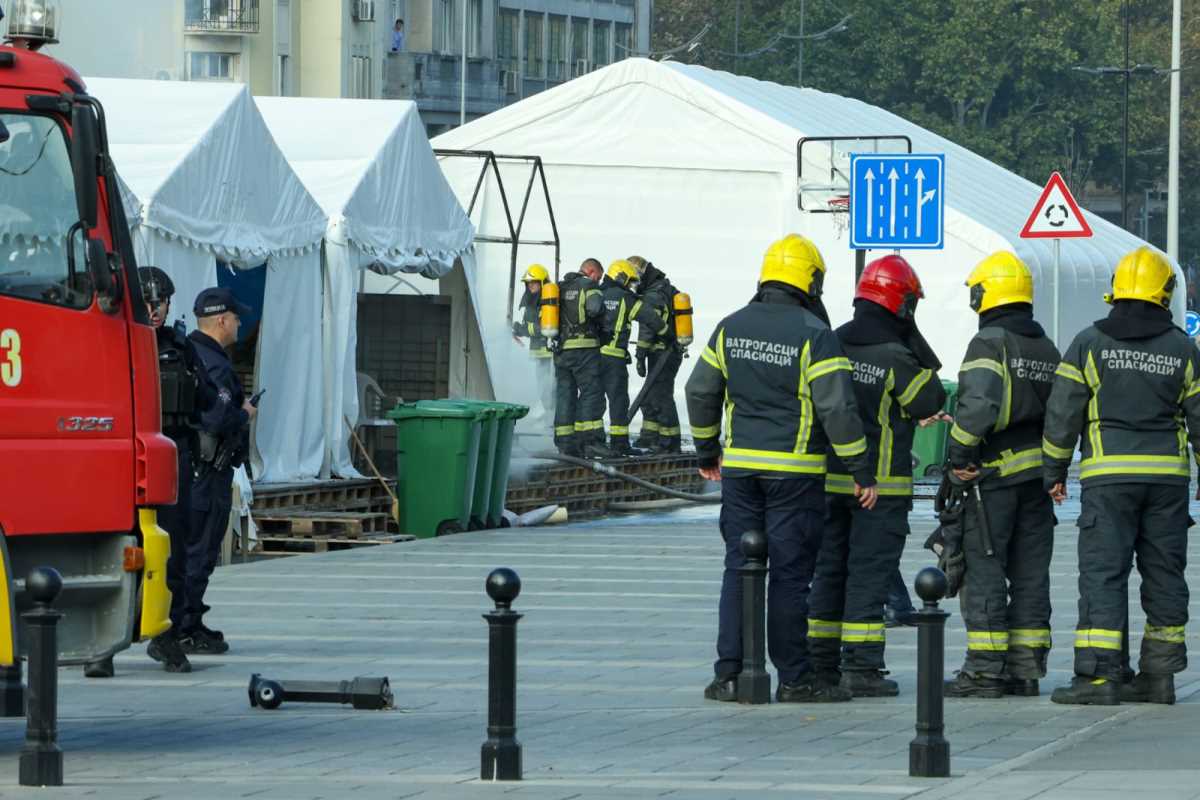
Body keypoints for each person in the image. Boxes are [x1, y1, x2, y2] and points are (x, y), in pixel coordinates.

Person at [686, 233, 877, 704]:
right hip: (795, 473)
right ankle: (795, 678)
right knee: (790, 577)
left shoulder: (730, 327)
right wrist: (860, 470)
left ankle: (729, 676)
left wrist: (707, 452)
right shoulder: (815, 334)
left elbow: (700, 390)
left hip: (741, 472)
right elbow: (837, 408)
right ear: (810, 282)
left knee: (739, 569)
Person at [1044, 246, 1200, 706]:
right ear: (1164, 294)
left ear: (1116, 291)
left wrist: (1054, 470)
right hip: (1168, 482)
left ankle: (1101, 677)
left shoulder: (1089, 342)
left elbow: (1063, 411)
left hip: (1108, 479)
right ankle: (1159, 677)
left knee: (1103, 574)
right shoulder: (1183, 349)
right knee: (1164, 575)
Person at [807, 255, 947, 697]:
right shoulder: (895, 356)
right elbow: (930, 399)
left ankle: (821, 664)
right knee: (868, 576)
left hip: (828, 481)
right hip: (880, 488)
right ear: (901, 305)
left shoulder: (832, 342)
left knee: (828, 573)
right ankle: (862, 667)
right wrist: (913, 339)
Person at [943, 251, 1060, 699]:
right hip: (1037, 476)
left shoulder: (990, 342)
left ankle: (984, 671)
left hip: (991, 476)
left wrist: (958, 456)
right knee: (1030, 573)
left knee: (984, 570)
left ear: (986, 294)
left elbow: (977, 406)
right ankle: (1025, 670)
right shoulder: (1046, 346)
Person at [85, 267, 211, 677]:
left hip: (170, 457)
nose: (154, 310)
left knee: (173, 552)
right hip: (121, 459)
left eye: (161, 302)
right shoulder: (110, 343)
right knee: (115, 551)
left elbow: (207, 401)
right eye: (148, 302)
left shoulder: (181, 347)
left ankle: (165, 634)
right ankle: (103, 644)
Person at [184, 287, 257, 655]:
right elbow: (217, 418)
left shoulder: (195, 352)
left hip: (202, 470)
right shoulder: (212, 361)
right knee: (199, 549)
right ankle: (185, 626)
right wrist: (244, 414)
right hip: (207, 471)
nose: (240, 324)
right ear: (222, 320)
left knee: (198, 548)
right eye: (237, 318)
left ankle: (190, 620)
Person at [598, 259, 661, 456]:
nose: (632, 285)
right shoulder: (625, 298)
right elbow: (648, 316)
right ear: (621, 277)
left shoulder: (596, 292)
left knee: (593, 400)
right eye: (630, 281)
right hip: (614, 359)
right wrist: (666, 332)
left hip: (592, 357)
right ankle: (619, 443)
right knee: (618, 401)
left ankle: (591, 441)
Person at [553, 259, 608, 458]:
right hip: (585, 349)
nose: (598, 281)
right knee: (592, 394)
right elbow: (595, 309)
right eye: (598, 277)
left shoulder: (559, 287)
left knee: (565, 395)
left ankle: (565, 443)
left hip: (562, 351)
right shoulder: (589, 286)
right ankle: (591, 442)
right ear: (591, 271)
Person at [629, 255, 683, 453]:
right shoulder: (663, 288)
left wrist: (640, 355)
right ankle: (649, 436)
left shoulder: (652, 295)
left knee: (661, 396)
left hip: (662, 352)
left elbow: (648, 327)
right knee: (651, 395)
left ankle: (669, 441)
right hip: (666, 352)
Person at [511, 264, 555, 422]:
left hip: (549, 353)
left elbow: (543, 328)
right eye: (528, 283)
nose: (530, 286)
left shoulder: (547, 303)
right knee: (542, 387)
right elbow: (530, 326)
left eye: (534, 282)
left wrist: (522, 329)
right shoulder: (531, 301)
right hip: (539, 353)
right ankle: (550, 414)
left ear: (543, 283)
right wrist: (517, 329)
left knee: (550, 387)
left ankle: (554, 416)